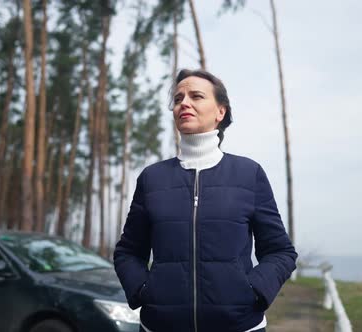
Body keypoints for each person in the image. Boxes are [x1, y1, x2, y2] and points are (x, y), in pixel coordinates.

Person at [113, 69, 298, 332]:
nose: (184, 103)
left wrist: (254, 291)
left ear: (220, 112)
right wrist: (144, 290)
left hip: (240, 326)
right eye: (178, 99)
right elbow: (128, 252)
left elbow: (280, 251)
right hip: (161, 326)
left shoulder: (248, 174)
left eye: (196, 96)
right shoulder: (152, 179)